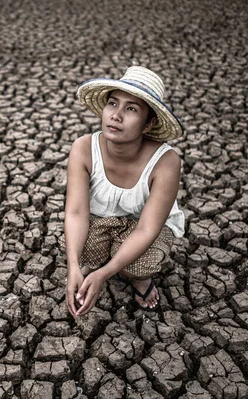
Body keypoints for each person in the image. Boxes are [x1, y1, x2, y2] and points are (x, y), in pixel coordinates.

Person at [63, 66, 185, 318]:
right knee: (75, 247)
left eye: (131, 109)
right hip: (100, 221)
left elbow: (147, 229)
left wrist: (104, 274)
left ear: (149, 123)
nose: (116, 115)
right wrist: (73, 267)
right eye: (112, 103)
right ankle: (96, 263)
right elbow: (76, 212)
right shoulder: (84, 148)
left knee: (140, 262)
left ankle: (136, 278)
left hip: (141, 227)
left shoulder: (166, 161)